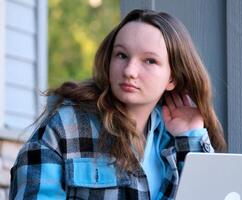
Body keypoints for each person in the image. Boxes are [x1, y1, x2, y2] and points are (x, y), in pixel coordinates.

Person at [9, 9, 226, 200]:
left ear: (173, 78)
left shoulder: (176, 137)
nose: (129, 71)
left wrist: (191, 138)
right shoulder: (65, 127)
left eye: (150, 60)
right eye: (121, 55)